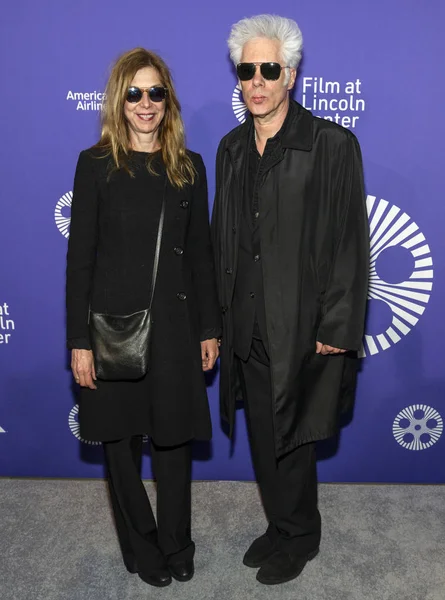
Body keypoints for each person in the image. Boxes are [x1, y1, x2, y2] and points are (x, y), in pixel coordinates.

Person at [212, 15, 369, 585]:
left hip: (304, 325)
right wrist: (215, 321)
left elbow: (351, 244)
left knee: (295, 434)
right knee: (261, 432)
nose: (256, 81)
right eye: (247, 70)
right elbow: (220, 237)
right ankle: (280, 523)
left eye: (269, 70)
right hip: (247, 323)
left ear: (291, 76)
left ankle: (301, 535)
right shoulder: (231, 149)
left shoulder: (330, 145)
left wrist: (338, 323)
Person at [66, 48, 220, 588]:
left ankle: (178, 542)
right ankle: (142, 546)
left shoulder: (189, 166)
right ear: (119, 100)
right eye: (134, 93)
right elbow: (79, 260)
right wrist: (78, 340)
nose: (145, 103)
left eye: (155, 92)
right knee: (121, 448)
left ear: (167, 99)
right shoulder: (96, 166)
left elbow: (201, 255)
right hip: (114, 331)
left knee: (175, 443)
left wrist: (209, 327)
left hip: (177, 332)